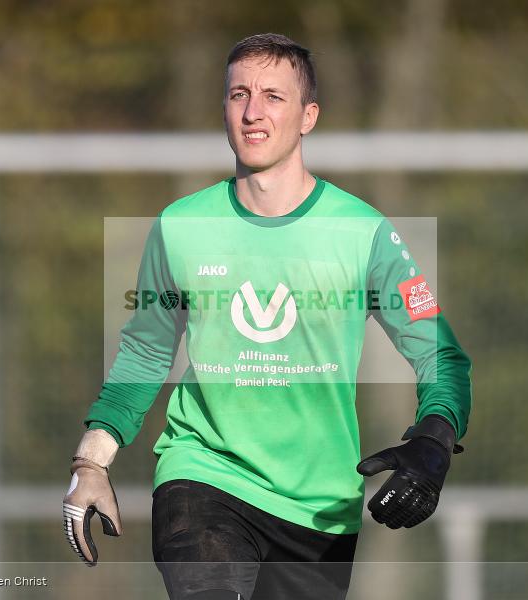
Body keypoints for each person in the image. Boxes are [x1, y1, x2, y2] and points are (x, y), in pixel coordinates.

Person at [63, 33, 472, 600]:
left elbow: (438, 353)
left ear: (308, 116)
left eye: (273, 97)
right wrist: (93, 461)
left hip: (320, 510)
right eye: (239, 94)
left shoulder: (364, 233)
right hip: (202, 477)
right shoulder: (180, 225)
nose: (253, 112)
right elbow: (146, 349)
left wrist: (433, 439)